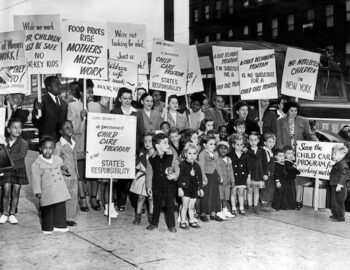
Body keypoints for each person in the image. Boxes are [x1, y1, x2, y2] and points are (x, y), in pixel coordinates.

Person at [276, 100, 317, 209]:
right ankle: (288, 200)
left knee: (299, 177)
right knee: (287, 177)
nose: (293, 113)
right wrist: (281, 154)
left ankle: (298, 200)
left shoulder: (303, 120)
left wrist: (316, 142)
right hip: (286, 153)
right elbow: (278, 138)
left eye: (295, 110)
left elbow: (309, 134)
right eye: (291, 110)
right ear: (287, 111)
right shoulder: (280, 121)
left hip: (299, 153)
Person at [31, 136, 71, 234]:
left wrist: (64, 168)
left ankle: (60, 225)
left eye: (50, 148)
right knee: (47, 209)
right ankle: (47, 227)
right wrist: (38, 191)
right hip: (47, 190)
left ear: (54, 149)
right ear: (40, 148)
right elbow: (36, 179)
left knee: (60, 207)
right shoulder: (36, 164)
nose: (48, 150)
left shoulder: (57, 159)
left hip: (59, 189)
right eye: (45, 148)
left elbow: (62, 167)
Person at [110, 88, 138, 212]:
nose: (127, 101)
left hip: (133, 149)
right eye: (125, 98)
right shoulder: (114, 112)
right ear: (120, 99)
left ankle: (132, 200)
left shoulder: (137, 112)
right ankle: (120, 201)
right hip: (119, 149)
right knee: (121, 177)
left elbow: (140, 132)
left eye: (129, 98)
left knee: (131, 177)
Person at [145, 133, 179, 232]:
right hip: (156, 186)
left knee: (170, 205)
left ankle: (171, 225)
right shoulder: (151, 159)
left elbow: (176, 168)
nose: (168, 145)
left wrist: (175, 176)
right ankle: (154, 223)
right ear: (157, 145)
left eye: (168, 143)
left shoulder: (171, 156)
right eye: (165, 143)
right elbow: (149, 174)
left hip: (170, 186)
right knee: (156, 205)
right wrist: (149, 187)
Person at [0, 119, 28, 225]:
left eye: (19, 127)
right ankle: (4, 213)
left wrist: (5, 156)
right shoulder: (4, 141)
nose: (17, 130)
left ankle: (12, 214)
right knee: (6, 191)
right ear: (8, 129)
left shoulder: (24, 143)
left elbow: (21, 155)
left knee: (15, 192)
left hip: (19, 169)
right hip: (7, 170)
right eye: (14, 127)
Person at [66, 82, 88, 213]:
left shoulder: (76, 105)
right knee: (79, 171)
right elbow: (71, 126)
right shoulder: (76, 105)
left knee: (79, 172)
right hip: (80, 142)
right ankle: (82, 197)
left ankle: (81, 197)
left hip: (80, 142)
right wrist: (82, 118)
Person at [54, 121, 79, 227]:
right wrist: (67, 174)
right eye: (66, 128)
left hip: (74, 177)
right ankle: (60, 217)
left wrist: (76, 174)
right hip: (64, 177)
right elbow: (57, 162)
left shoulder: (74, 143)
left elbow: (75, 159)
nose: (70, 129)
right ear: (61, 131)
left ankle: (70, 218)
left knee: (73, 196)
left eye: (71, 127)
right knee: (62, 197)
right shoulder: (59, 146)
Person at [32, 76, 68, 141]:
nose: (60, 87)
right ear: (49, 88)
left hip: (61, 141)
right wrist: (37, 111)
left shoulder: (63, 103)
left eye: (60, 84)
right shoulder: (41, 101)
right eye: (57, 85)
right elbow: (36, 122)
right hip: (47, 141)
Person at [130, 132, 154, 225]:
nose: (147, 143)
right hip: (142, 177)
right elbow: (137, 166)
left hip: (152, 178)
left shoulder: (157, 155)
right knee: (141, 197)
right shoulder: (143, 154)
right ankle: (138, 216)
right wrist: (135, 159)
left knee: (151, 198)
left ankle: (151, 216)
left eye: (150, 141)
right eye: (145, 141)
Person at [178, 142, 204, 229]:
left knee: (192, 206)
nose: (192, 156)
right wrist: (180, 188)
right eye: (189, 153)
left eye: (194, 153)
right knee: (185, 206)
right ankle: (183, 220)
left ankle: (192, 220)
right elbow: (179, 178)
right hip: (185, 188)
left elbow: (200, 178)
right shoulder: (182, 165)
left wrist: (200, 188)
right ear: (185, 154)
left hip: (194, 189)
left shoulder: (197, 166)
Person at [198, 135, 223, 222]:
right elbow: (201, 166)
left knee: (215, 195)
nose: (213, 146)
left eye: (214, 144)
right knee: (206, 195)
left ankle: (213, 213)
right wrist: (203, 177)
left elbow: (217, 166)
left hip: (214, 176)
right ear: (205, 145)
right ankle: (203, 213)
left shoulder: (215, 154)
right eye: (211, 144)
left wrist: (221, 176)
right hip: (207, 176)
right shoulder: (202, 154)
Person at [247, 132, 268, 214]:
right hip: (249, 174)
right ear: (248, 141)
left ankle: (256, 207)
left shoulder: (262, 151)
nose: (253, 142)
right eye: (251, 140)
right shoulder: (247, 151)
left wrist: (265, 173)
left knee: (256, 191)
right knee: (249, 191)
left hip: (258, 174)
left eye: (255, 140)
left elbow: (265, 163)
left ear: (258, 140)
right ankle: (249, 206)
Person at [228, 136, 251, 216]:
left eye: (241, 145)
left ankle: (241, 208)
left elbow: (248, 167)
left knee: (241, 193)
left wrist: (248, 177)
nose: (239, 146)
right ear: (233, 145)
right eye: (237, 144)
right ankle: (233, 208)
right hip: (234, 177)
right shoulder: (230, 155)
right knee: (233, 192)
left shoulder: (245, 155)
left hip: (242, 177)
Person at [329, 145, 349, 222]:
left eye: (335, 154)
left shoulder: (343, 164)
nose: (333, 155)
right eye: (332, 153)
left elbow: (344, 175)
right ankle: (335, 214)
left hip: (339, 187)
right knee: (334, 201)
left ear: (342, 155)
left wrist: (340, 185)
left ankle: (340, 217)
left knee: (339, 202)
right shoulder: (338, 163)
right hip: (334, 185)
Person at [216, 141, 235, 219]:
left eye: (225, 148)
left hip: (227, 182)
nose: (223, 150)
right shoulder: (216, 159)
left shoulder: (228, 159)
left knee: (226, 196)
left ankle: (225, 210)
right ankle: (219, 211)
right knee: (220, 196)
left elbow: (231, 171)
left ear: (228, 150)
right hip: (220, 182)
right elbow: (217, 170)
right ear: (217, 149)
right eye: (221, 148)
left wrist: (232, 181)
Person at [260, 133, 276, 212]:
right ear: (265, 143)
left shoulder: (270, 151)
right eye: (269, 142)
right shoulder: (265, 151)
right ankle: (264, 205)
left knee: (270, 189)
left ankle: (268, 204)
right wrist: (265, 173)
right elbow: (264, 163)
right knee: (265, 189)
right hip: (266, 175)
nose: (271, 144)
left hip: (270, 175)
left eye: (273, 142)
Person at [284, 145, 300, 210]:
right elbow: (290, 169)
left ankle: (291, 204)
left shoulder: (290, 162)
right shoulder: (286, 162)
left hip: (291, 180)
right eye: (288, 153)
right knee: (290, 193)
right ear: (284, 154)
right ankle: (290, 205)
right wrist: (297, 170)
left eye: (291, 153)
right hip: (288, 180)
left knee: (292, 192)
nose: (290, 155)